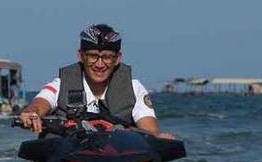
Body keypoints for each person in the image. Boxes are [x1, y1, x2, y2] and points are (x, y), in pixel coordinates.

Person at [19, 24, 171, 138]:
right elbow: (40, 103)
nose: (99, 64)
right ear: (81, 56)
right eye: (93, 56)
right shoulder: (60, 85)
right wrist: (32, 113)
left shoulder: (134, 88)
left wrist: (158, 137)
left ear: (118, 59)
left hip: (120, 160)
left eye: (107, 57)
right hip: (70, 160)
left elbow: (149, 130)